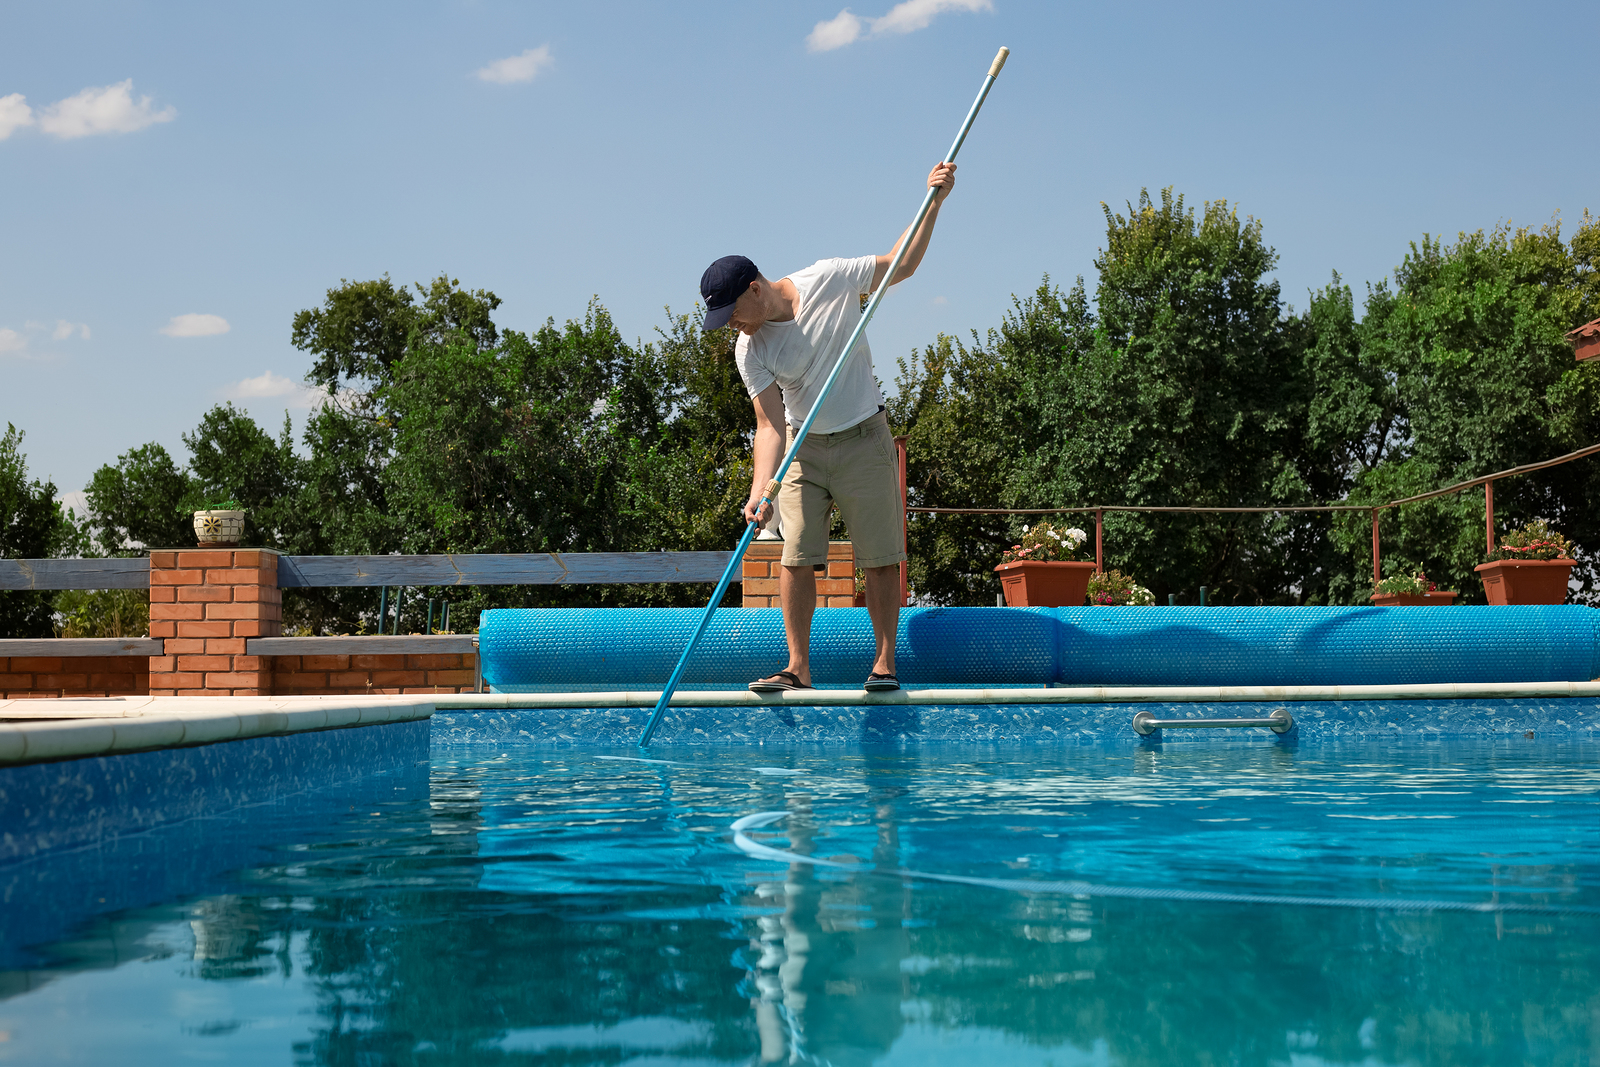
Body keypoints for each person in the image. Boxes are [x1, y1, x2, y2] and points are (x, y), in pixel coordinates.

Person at [698, 162, 957, 693]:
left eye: (734, 314)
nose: (734, 328)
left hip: (864, 437)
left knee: (881, 557)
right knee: (795, 558)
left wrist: (933, 202)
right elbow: (769, 426)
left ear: (754, 289)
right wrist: (759, 491)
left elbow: (899, 265)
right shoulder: (751, 349)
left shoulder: (827, 279)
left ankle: (884, 664)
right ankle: (798, 669)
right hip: (803, 449)